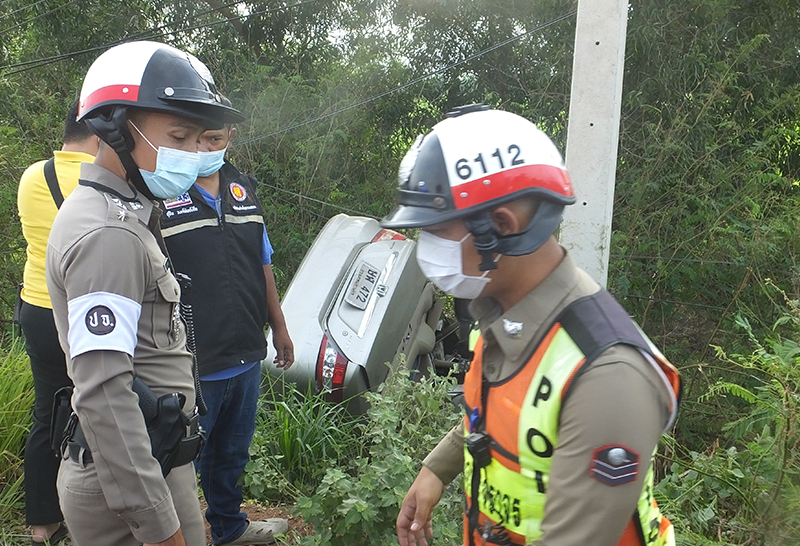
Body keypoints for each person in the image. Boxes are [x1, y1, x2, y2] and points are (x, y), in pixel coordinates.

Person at [382, 104, 681, 546]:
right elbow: (501, 409)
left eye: (436, 231)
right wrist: (437, 469)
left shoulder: (607, 377)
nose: (424, 246)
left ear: (501, 226)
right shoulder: (503, 315)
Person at [45, 40, 244, 546]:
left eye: (197, 139)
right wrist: (158, 526)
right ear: (115, 127)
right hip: (129, 486)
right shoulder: (108, 234)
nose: (192, 153)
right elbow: (104, 393)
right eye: (178, 136)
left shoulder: (126, 212)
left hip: (152, 458)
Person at [159, 104, 293, 546]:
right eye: (195, 139)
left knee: (232, 452)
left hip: (246, 351)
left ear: (230, 137)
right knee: (181, 460)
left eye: (214, 139)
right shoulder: (162, 195)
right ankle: (177, 536)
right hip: (191, 359)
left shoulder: (243, 190)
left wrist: (279, 326)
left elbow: (262, 262)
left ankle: (229, 527)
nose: (203, 149)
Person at [17, 99, 99, 545]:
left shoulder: (33, 176)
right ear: (100, 135)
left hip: (36, 307)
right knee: (97, 406)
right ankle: (92, 507)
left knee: (47, 411)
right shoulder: (100, 181)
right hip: (85, 311)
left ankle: (42, 523)